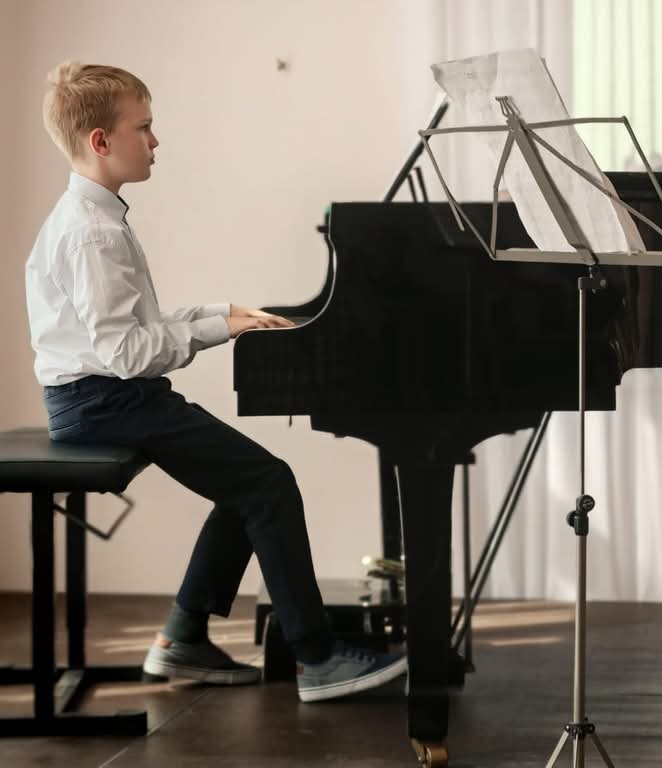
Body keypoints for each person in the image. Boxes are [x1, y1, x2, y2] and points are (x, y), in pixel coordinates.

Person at [25, 61, 407, 703]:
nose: (155, 141)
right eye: (144, 128)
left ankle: (182, 638)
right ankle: (316, 659)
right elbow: (128, 353)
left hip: (105, 397)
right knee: (269, 483)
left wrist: (224, 313)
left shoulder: (92, 217)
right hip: (104, 401)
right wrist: (216, 331)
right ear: (101, 140)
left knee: (247, 482)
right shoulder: (92, 233)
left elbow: (135, 326)